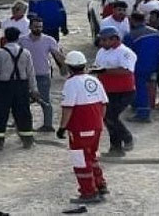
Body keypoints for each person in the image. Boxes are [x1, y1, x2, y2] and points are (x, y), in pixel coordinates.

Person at [57, 51, 109, 205]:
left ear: (69, 66)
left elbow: (68, 108)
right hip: (96, 125)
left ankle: (88, 192)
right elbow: (104, 105)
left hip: (80, 128)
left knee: (81, 160)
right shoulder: (94, 81)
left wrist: (62, 127)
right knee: (92, 156)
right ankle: (100, 185)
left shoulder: (71, 83)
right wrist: (99, 121)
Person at [0, 27, 40, 150]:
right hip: (21, 86)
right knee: (23, 113)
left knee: (0, 114)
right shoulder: (25, 52)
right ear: (18, 38)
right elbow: (31, 73)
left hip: (3, 86)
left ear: (5, 38)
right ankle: (27, 140)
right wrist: (34, 89)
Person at [92, 26, 137, 157]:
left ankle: (127, 137)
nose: (102, 43)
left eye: (104, 40)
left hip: (124, 91)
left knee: (111, 116)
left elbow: (127, 70)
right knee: (107, 118)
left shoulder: (125, 52)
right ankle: (116, 148)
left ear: (114, 39)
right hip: (107, 91)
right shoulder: (101, 51)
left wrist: (104, 71)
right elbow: (98, 66)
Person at [18, 16, 66, 132]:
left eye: (40, 27)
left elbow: (57, 55)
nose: (38, 29)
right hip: (26, 76)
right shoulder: (22, 40)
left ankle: (48, 125)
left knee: (45, 101)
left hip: (43, 75)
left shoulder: (49, 40)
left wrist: (65, 65)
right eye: (35, 27)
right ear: (30, 27)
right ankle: (23, 124)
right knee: (23, 101)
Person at [123, 12, 159, 123]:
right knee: (150, 87)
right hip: (154, 65)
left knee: (140, 88)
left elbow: (127, 54)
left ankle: (143, 114)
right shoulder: (156, 33)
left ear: (133, 21)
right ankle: (144, 107)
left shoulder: (130, 35)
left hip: (139, 66)